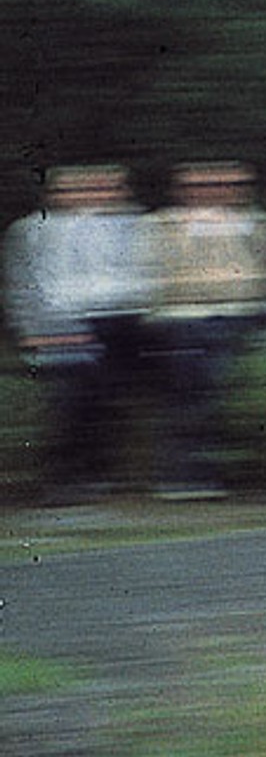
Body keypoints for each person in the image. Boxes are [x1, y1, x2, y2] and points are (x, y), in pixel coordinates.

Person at [4, 165, 152, 504]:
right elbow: (22, 289)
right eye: (71, 191)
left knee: (108, 388)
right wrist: (41, 331)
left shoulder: (137, 225)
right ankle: (67, 478)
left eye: (101, 190)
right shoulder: (30, 231)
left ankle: (99, 474)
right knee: (76, 392)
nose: (86, 198)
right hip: (61, 325)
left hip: (124, 320)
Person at [142, 161, 266, 499]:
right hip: (184, 318)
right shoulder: (162, 225)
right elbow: (158, 278)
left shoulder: (261, 224)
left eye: (230, 184)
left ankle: (239, 474)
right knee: (191, 397)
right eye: (207, 185)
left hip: (245, 316)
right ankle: (185, 475)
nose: (220, 191)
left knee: (240, 396)